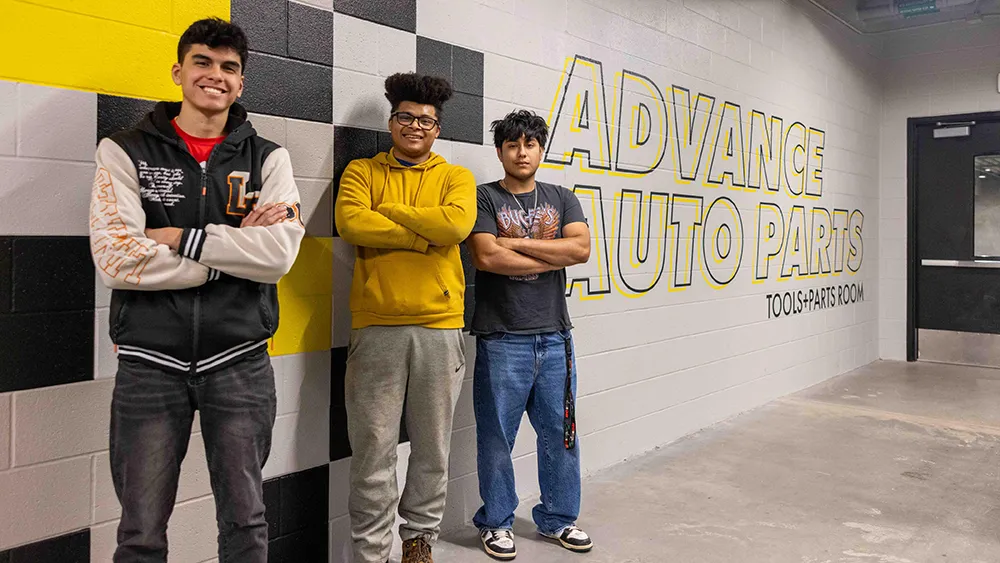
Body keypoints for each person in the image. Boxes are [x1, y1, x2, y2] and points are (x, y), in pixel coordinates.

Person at [89, 17, 304, 563]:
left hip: (240, 361)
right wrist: (231, 256)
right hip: (148, 361)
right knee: (139, 532)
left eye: (229, 67)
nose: (216, 75)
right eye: (203, 62)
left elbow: (278, 257)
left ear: (241, 82)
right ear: (178, 71)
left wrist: (179, 238)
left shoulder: (269, 157)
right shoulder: (124, 150)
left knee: (247, 523)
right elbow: (115, 259)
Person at [334, 72, 477, 563]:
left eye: (427, 121)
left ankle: (419, 543)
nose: (416, 126)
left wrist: (389, 212)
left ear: (437, 129)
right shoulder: (361, 171)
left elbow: (456, 224)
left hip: (440, 328)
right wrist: (423, 236)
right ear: (392, 121)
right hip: (375, 326)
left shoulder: (456, 177)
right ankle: (372, 554)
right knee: (373, 452)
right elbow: (351, 222)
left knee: (433, 449)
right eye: (406, 117)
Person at [465, 110, 594, 560]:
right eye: (513, 145)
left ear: (541, 149)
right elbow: (486, 258)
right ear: (500, 151)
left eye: (531, 144)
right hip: (502, 337)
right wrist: (553, 255)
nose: (522, 152)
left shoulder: (562, 196)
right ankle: (497, 522)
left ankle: (559, 518)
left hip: (556, 337)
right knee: (497, 435)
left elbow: (580, 249)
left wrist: (515, 243)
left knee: (561, 432)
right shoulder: (482, 198)